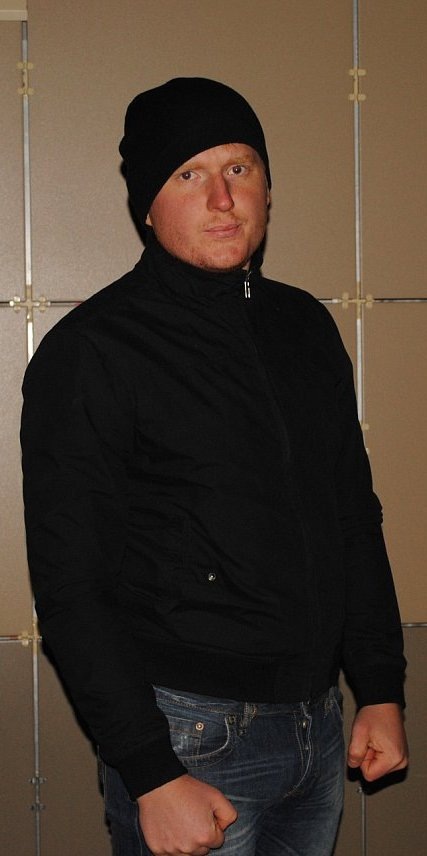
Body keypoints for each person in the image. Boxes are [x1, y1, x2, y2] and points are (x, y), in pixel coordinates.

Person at [21, 78, 408, 856]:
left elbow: (350, 517)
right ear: (146, 204)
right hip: (187, 739)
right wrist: (150, 772)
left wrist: (379, 687)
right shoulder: (94, 351)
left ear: (267, 186)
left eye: (239, 168)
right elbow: (71, 585)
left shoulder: (304, 327)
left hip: (319, 729)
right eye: (188, 174)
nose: (222, 198)